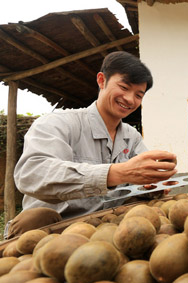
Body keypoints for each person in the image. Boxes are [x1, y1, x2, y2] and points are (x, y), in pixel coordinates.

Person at [7, 51, 177, 239]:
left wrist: (152, 184)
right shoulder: (58, 123)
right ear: (102, 80)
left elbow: (142, 180)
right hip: (56, 229)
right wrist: (115, 173)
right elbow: (31, 174)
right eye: (124, 87)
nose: (130, 99)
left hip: (106, 229)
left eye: (138, 95)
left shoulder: (131, 137)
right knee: (35, 218)